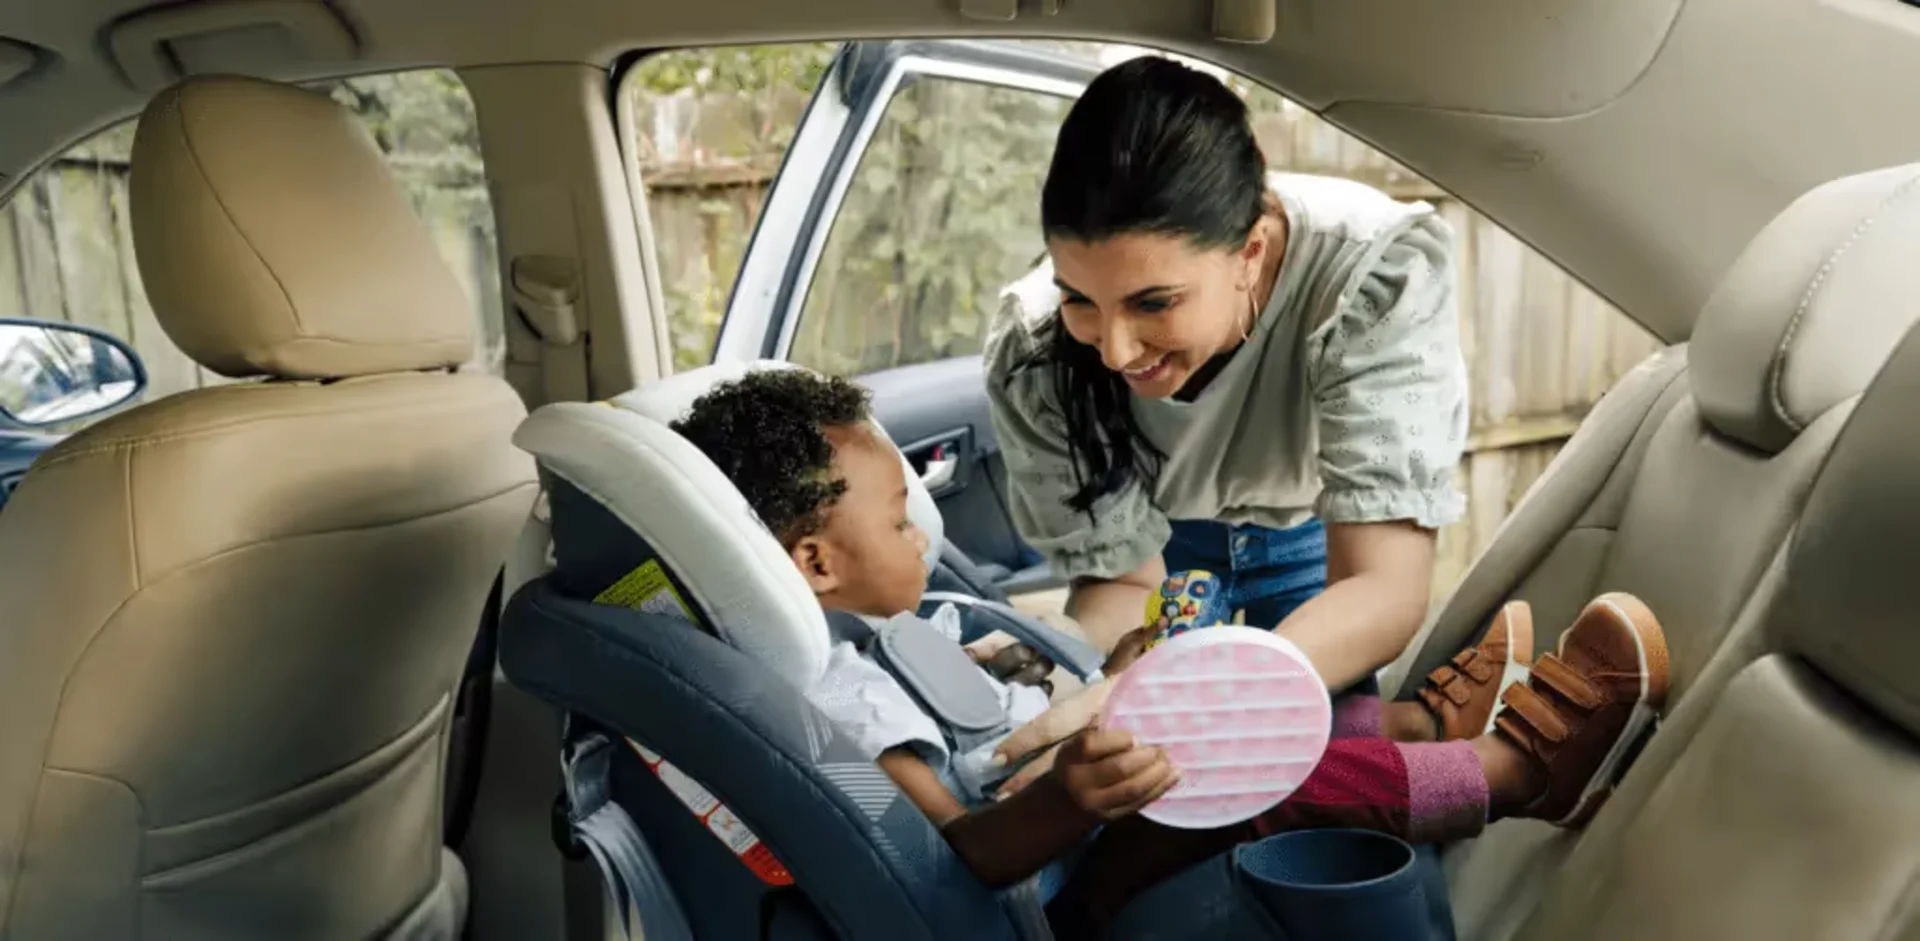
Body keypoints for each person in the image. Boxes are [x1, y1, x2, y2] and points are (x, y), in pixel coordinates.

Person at [668, 369, 1669, 931]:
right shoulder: (836, 706)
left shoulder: (871, 637)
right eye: (898, 520)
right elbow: (951, 855)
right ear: (814, 559)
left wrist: (1106, 675)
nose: (923, 534)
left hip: (1077, 800)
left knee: (1243, 709)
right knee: (1257, 770)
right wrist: (1074, 795)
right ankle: (1515, 775)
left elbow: (983, 721)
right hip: (1065, 880)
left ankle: (1418, 724)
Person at [984, 52, 1483, 802]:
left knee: (1324, 764)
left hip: (1323, 545)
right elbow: (1123, 579)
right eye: (1082, 298)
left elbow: (1382, 583)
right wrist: (1118, 677)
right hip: (1162, 544)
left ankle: (1448, 748)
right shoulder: (1036, 350)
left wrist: (1201, 692)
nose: (1115, 351)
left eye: (1155, 303)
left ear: (1250, 251)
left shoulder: (1370, 278)